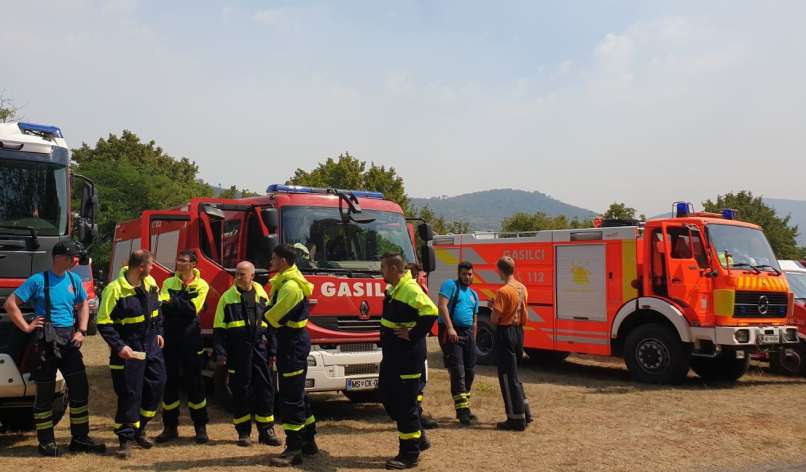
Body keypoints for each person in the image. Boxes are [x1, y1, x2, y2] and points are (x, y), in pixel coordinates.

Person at [3, 241, 106, 457]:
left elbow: (84, 303)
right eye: (71, 258)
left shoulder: (74, 279)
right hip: (46, 341)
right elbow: (11, 304)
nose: (75, 261)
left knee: (79, 389)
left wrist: (82, 330)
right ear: (59, 257)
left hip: (69, 339)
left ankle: (80, 438)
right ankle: (46, 442)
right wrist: (26, 326)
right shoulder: (38, 280)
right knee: (45, 394)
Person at [97, 250, 166, 459]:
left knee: (157, 384)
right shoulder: (114, 289)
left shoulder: (151, 282)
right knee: (130, 394)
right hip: (129, 348)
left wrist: (159, 332)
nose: (154, 268)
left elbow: (158, 310)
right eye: (151, 265)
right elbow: (103, 322)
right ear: (141, 267)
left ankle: (140, 428)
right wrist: (119, 346)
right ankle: (125, 440)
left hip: (151, 344)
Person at [212, 261, 282, 448]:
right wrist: (221, 354)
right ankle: (243, 432)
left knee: (265, 390)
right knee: (241, 391)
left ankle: (266, 431)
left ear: (252, 276)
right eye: (237, 274)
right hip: (238, 352)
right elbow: (219, 329)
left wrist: (273, 350)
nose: (238, 277)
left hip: (260, 350)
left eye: (242, 274)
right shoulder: (227, 298)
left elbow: (271, 326)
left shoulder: (262, 295)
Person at [379, 252, 438, 470]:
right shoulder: (395, 288)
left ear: (394, 268)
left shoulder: (410, 289)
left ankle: (409, 454)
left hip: (407, 357)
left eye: (383, 267)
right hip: (393, 356)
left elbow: (431, 310)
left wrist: (413, 334)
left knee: (406, 406)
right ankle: (418, 436)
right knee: (387, 396)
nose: (381, 271)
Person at [264, 244, 318, 467]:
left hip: (292, 344)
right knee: (298, 394)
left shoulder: (290, 288)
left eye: (274, 258)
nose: (271, 261)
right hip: (292, 342)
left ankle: (294, 448)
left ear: (284, 261)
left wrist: (260, 317)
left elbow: (272, 316)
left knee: (291, 397)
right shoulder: (286, 281)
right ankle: (309, 442)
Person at [155, 250, 211, 444]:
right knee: (169, 385)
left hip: (191, 340)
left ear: (193, 264)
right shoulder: (168, 282)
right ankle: (170, 428)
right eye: (178, 259)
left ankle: (200, 428)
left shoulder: (202, 285)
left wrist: (173, 302)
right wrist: (180, 305)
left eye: (183, 260)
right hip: (171, 339)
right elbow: (163, 305)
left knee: (195, 385)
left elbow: (193, 309)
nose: (179, 263)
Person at [490, 256, 531, 432]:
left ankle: (515, 418)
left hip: (505, 332)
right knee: (515, 375)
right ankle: (525, 412)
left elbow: (495, 318)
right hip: (519, 331)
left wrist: (493, 308)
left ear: (500, 270)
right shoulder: (522, 287)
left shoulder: (503, 291)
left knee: (507, 376)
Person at [437, 261, 480, 426]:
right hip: (452, 333)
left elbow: (475, 321)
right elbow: (442, 306)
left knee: (470, 372)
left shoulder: (474, 294)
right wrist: (450, 328)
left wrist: (473, 341)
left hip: (468, 335)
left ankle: (464, 406)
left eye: (469, 274)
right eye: (464, 274)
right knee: (458, 372)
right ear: (458, 274)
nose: (467, 277)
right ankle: (463, 412)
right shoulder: (450, 285)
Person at [405, 262, 438, 430]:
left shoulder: (415, 288)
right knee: (415, 380)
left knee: (420, 378)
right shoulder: (411, 291)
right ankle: (415, 413)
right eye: (419, 274)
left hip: (417, 339)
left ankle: (417, 410)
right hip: (413, 341)